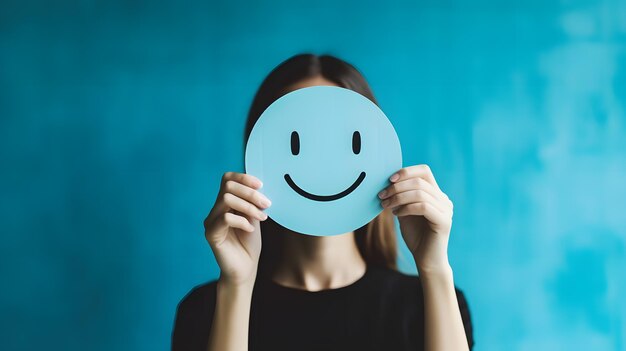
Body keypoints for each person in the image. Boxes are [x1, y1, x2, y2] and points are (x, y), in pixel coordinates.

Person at [172, 54, 474, 351]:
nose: (321, 165)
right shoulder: (205, 310)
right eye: (296, 142)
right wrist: (237, 285)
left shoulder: (432, 303)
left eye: (346, 141)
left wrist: (434, 269)